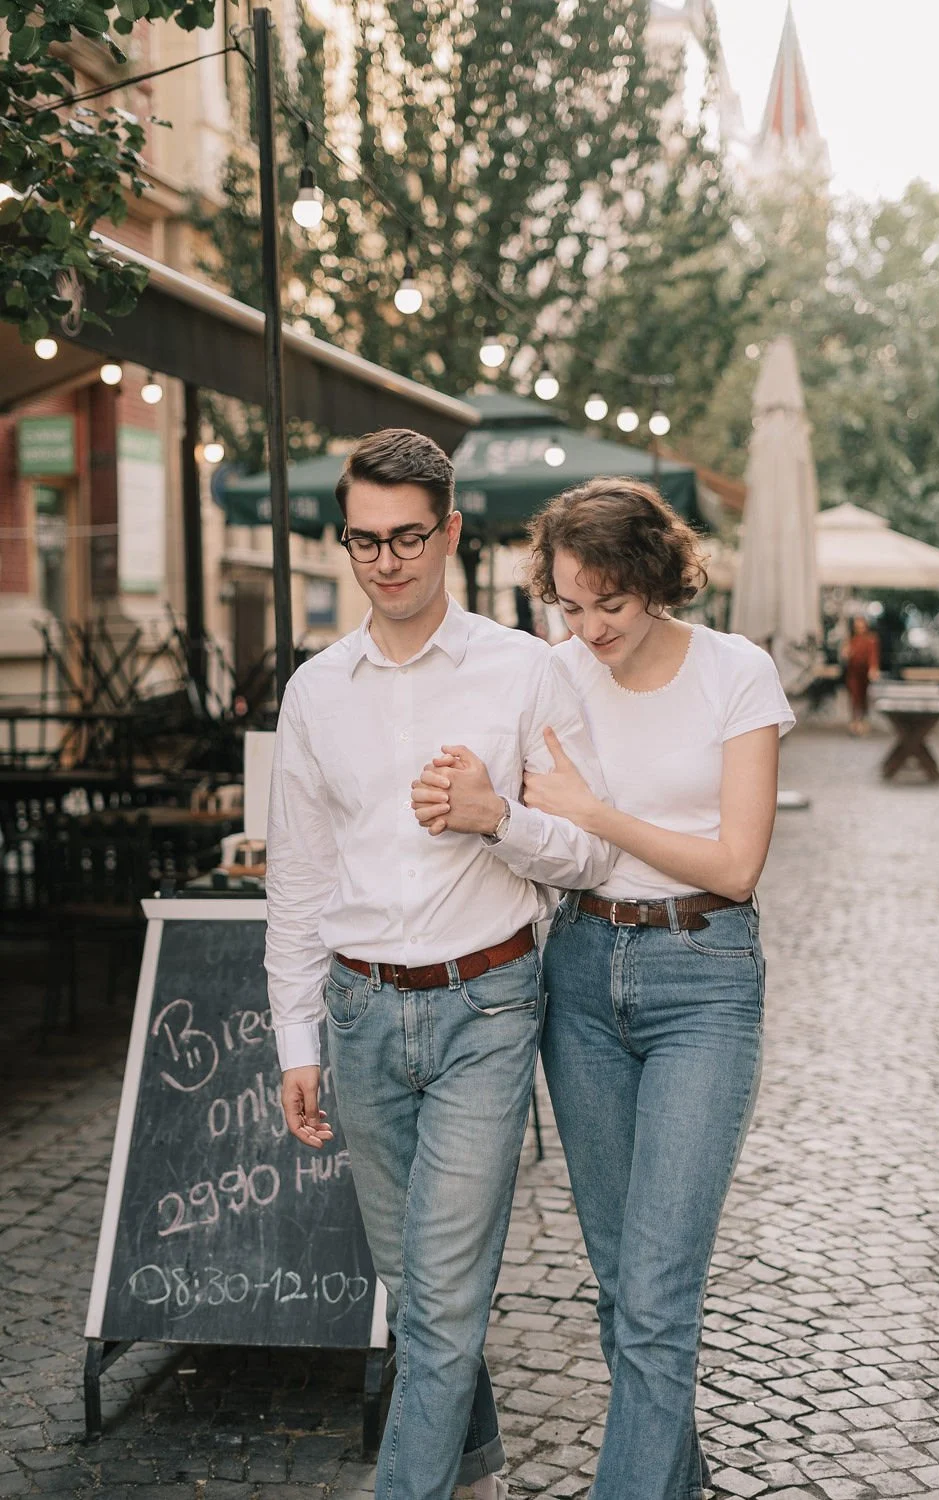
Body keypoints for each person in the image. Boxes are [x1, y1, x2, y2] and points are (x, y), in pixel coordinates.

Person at [412, 477, 794, 1500]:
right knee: (624, 1289)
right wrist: (487, 807)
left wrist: (596, 813)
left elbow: (737, 865)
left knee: (658, 1294)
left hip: (703, 978)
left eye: (609, 603)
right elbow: (535, 836)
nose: (588, 629)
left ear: (657, 578)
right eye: (570, 605)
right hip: (579, 974)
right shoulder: (552, 675)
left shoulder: (737, 673)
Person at [265, 429, 613, 1500]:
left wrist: (494, 816)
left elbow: (590, 850)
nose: (387, 561)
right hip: (361, 1012)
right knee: (417, 1289)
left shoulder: (526, 670)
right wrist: (296, 1040)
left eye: (409, 537)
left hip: (488, 1006)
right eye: (365, 540)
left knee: (446, 1299)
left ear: (451, 531)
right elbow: (298, 879)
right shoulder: (316, 691)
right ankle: (475, 1474)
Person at [843, 614, 880, 734]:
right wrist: (846, 653)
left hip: (864, 673)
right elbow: (846, 656)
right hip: (853, 672)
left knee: (864, 697)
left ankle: (863, 721)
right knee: (854, 697)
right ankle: (855, 721)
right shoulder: (851, 640)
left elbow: (873, 656)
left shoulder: (871, 639)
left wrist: (873, 668)